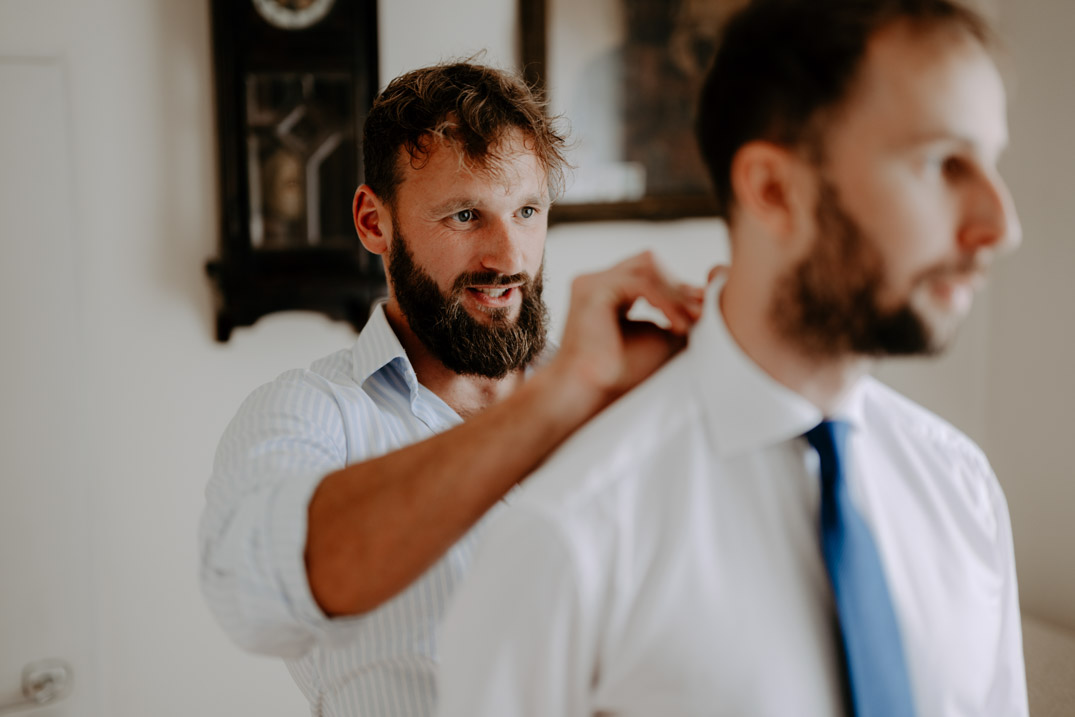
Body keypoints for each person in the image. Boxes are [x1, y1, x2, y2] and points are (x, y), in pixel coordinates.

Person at [435, 1, 1028, 715]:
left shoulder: (962, 489)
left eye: (990, 163)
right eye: (941, 163)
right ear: (774, 191)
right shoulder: (570, 536)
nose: (1002, 226)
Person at [198, 62, 705, 715]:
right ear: (374, 222)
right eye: (466, 215)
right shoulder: (311, 412)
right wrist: (556, 400)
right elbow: (254, 596)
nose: (509, 258)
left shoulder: (619, 396)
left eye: (527, 211)